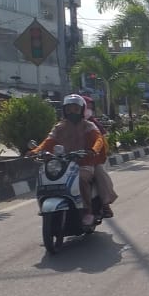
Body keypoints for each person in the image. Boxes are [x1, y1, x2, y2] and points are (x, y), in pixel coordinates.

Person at [30, 94, 106, 227]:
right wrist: (36, 151)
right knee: (45, 176)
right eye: (69, 109)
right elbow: (48, 141)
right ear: (64, 110)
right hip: (63, 164)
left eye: (75, 109)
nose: (72, 112)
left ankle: (88, 211)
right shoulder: (59, 127)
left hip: (84, 163)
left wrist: (94, 149)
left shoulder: (88, 125)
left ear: (81, 110)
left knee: (81, 179)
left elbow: (98, 139)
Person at [81, 94, 118, 217]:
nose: (88, 110)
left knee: (100, 173)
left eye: (90, 107)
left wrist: (94, 150)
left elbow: (100, 139)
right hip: (71, 160)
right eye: (87, 107)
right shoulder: (64, 125)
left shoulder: (93, 124)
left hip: (92, 158)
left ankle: (105, 205)